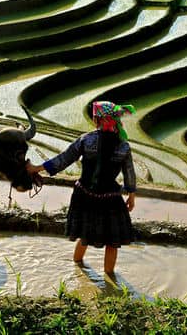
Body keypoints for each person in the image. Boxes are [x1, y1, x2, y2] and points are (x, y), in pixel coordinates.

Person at [26, 101, 136, 275]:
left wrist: (36, 168)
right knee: (112, 242)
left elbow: (64, 159)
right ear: (115, 120)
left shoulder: (87, 140)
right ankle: (110, 279)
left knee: (84, 235)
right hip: (111, 199)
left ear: (95, 120)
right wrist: (131, 195)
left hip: (85, 195)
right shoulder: (123, 146)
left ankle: (78, 270)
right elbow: (129, 172)